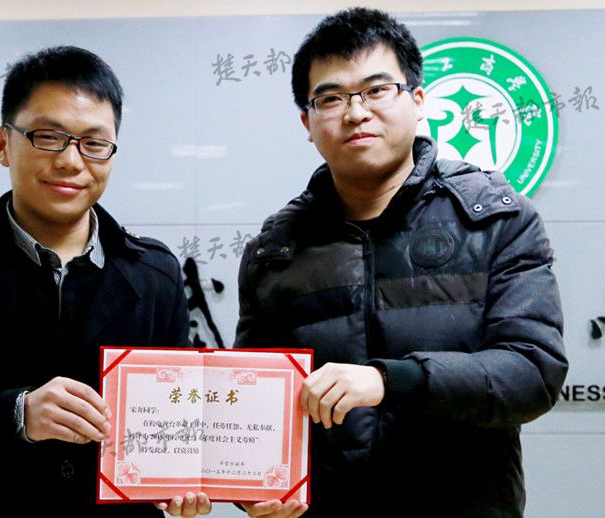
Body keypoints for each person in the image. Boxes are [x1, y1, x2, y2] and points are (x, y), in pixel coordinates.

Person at [234, 8, 567, 518]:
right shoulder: (275, 250)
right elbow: (252, 405)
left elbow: (532, 372)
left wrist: (391, 380)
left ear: (418, 101)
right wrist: (248, 489)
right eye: (331, 98)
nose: (355, 112)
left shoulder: (496, 219)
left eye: (376, 90)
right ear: (307, 122)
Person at [0, 46, 210, 518]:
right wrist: (18, 414)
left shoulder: (154, 273)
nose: (72, 161)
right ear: (2, 144)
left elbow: (180, 416)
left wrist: (184, 479)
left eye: (94, 143)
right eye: (48, 137)